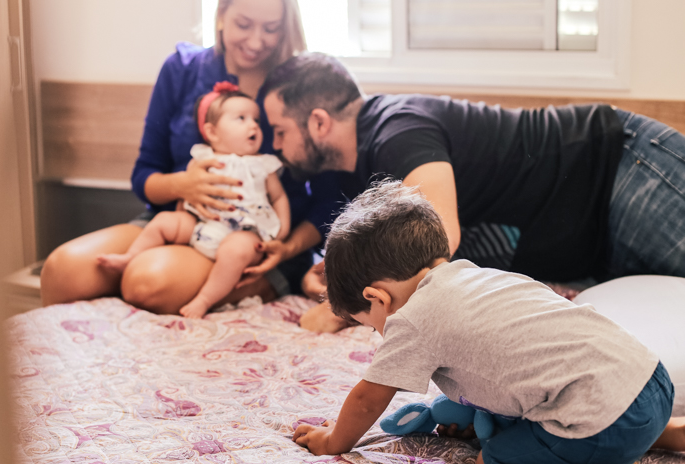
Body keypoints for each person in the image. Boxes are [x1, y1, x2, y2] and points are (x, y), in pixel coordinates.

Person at [259, 52, 685, 330]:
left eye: (280, 131)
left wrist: (345, 311)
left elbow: (435, 237)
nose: (276, 146)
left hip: (622, 169)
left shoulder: (397, 128)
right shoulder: (354, 173)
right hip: (594, 244)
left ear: (318, 122)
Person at [292, 180, 685, 464]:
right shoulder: (478, 276)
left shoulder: (411, 318)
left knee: (491, 463)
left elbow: (367, 399)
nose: (381, 334)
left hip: (599, 421)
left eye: (371, 326)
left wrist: (333, 440)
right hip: (651, 382)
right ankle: (667, 432)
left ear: (377, 298)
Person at [41, 0, 339, 313]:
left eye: (271, 28)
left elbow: (330, 198)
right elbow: (144, 175)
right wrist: (184, 185)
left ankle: (247, 284)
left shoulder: (302, 86)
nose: (256, 40)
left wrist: (287, 248)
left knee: (146, 283)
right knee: (61, 271)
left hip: (250, 240)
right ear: (221, 14)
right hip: (179, 221)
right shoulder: (181, 70)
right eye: (243, 24)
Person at [97, 83, 290, 318]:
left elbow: (278, 197)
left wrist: (281, 231)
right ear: (212, 132)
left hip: (243, 232)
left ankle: (204, 299)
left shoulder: (262, 164)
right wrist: (182, 217)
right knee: (165, 220)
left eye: (256, 120)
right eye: (241, 118)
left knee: (235, 252)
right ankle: (130, 257)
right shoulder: (202, 158)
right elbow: (188, 192)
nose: (253, 125)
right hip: (201, 225)